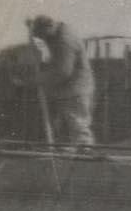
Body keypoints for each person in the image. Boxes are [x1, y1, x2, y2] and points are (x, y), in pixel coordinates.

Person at [27, 15, 95, 145]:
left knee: (78, 125)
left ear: (49, 27)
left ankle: (85, 154)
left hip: (76, 89)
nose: (44, 39)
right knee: (66, 126)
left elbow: (62, 71)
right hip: (67, 89)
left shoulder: (65, 40)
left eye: (43, 35)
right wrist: (31, 28)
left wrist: (38, 79)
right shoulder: (55, 32)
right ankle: (69, 155)